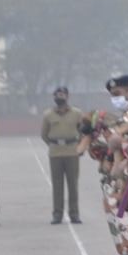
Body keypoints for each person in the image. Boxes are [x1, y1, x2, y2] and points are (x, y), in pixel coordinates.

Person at [41, 86, 84, 224]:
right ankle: (57, 214)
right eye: (57, 94)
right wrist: (54, 144)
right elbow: (44, 134)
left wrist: (79, 147)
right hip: (55, 152)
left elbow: (82, 131)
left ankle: (74, 213)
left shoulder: (76, 113)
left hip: (71, 151)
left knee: (73, 185)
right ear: (54, 97)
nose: (60, 97)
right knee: (57, 185)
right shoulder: (48, 114)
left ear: (67, 96)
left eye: (62, 94)